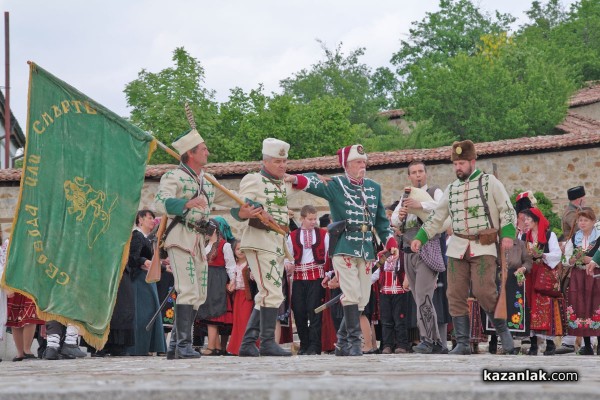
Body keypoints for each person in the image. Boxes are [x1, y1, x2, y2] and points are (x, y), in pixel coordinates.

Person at [411, 140, 518, 355]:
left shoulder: (490, 183)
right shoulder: (451, 189)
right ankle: (462, 342)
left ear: (472, 161)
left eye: (461, 163)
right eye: (455, 163)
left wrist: (507, 234)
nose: (458, 167)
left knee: (484, 291)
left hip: (483, 246)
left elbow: (507, 210)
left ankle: (504, 332)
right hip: (457, 247)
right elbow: (436, 217)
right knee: (455, 293)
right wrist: (421, 237)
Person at [291, 144, 399, 356]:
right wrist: (296, 177)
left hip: (366, 248)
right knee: (350, 294)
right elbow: (310, 184)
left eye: (364, 162)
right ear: (346, 165)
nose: (362, 165)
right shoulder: (336, 184)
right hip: (344, 246)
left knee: (362, 299)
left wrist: (390, 242)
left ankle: (342, 342)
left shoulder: (373, 187)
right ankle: (353, 343)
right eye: (358, 162)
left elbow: (381, 223)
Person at [154, 128, 252, 359]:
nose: (208, 152)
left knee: (198, 294)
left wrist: (248, 207)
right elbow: (160, 202)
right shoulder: (173, 177)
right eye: (204, 148)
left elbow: (231, 199)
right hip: (179, 237)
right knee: (187, 290)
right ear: (190, 153)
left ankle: (176, 346)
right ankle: (184, 345)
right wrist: (187, 203)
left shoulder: (207, 180)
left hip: (199, 240)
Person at [232, 138, 295, 357]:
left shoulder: (281, 183)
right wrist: (248, 210)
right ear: (266, 161)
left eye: (284, 161)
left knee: (268, 294)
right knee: (271, 291)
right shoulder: (254, 179)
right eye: (278, 161)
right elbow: (239, 206)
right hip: (259, 242)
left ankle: (249, 344)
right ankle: (267, 342)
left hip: (276, 244)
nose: (282, 165)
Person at [391, 160, 447, 354]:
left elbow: (442, 207)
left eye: (420, 171)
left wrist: (419, 204)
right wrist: (402, 214)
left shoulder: (434, 191)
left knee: (424, 296)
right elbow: (394, 219)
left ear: (426, 173)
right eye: (413, 172)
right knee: (418, 298)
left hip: (427, 247)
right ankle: (437, 342)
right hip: (408, 250)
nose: (417, 175)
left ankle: (428, 339)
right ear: (409, 176)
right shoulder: (405, 196)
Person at [285, 205, 329, 355]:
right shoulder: (292, 235)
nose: (313, 222)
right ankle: (304, 345)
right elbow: (288, 256)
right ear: (302, 219)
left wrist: (329, 274)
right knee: (299, 311)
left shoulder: (323, 234)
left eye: (315, 219)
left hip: (317, 276)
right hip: (298, 277)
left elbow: (328, 255)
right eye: (310, 219)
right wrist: (288, 264)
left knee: (315, 311)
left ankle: (315, 346)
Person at [520, 208, 563, 356]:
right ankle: (533, 345)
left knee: (545, 307)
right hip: (530, 274)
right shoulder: (524, 237)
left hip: (543, 275)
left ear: (536, 220)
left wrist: (542, 254)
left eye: (528, 219)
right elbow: (521, 255)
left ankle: (550, 344)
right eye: (524, 219)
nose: (525, 222)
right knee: (530, 307)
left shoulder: (549, 235)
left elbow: (557, 254)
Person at [127, 209, 166, 356]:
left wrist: (163, 266)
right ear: (140, 220)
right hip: (139, 280)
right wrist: (145, 261)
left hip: (148, 279)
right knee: (143, 314)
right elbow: (132, 258)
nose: (152, 221)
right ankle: (139, 347)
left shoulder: (148, 238)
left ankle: (149, 346)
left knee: (151, 312)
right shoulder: (136, 236)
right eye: (149, 218)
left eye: (152, 218)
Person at [197, 218, 236, 355]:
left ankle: (212, 347)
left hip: (218, 279)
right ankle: (217, 347)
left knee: (213, 313)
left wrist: (232, 281)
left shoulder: (224, 246)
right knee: (208, 312)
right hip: (206, 279)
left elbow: (230, 265)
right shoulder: (204, 244)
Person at [563, 208, 600, 355]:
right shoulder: (574, 238)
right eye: (580, 220)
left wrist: (592, 260)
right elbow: (565, 259)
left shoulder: (598, 237)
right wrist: (572, 259)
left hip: (595, 275)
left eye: (585, 220)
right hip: (578, 276)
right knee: (580, 307)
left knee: (596, 305)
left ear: (593, 222)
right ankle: (587, 346)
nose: (582, 223)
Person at [556, 186, 586, 355]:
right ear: (580, 199)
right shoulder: (571, 213)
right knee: (573, 298)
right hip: (573, 257)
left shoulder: (576, 211)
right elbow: (576, 229)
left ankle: (589, 339)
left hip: (581, 255)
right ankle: (569, 342)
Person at [226, 240, 256, 355]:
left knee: (245, 320)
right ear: (234, 250)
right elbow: (231, 279)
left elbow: (253, 279)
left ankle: (248, 345)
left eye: (243, 249)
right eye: (238, 249)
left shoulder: (250, 264)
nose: (240, 251)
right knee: (237, 322)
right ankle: (236, 348)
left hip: (247, 296)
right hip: (237, 295)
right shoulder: (233, 265)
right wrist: (229, 286)